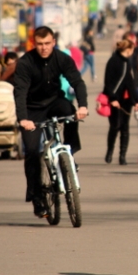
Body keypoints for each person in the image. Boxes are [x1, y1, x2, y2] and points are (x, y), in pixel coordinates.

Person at [13, 26, 89, 218]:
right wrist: (23, 118)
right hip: (32, 109)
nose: (44, 48)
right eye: (39, 44)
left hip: (54, 102)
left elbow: (77, 82)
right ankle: (36, 197)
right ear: (34, 44)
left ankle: (69, 153)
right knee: (31, 151)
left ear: (53, 42)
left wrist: (83, 106)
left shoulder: (61, 58)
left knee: (69, 111)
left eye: (47, 43)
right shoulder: (25, 62)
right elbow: (20, 91)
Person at [103, 39, 138, 165]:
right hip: (114, 100)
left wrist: (135, 101)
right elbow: (108, 82)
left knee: (125, 128)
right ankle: (109, 151)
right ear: (128, 50)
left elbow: (130, 84)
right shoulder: (113, 61)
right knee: (115, 126)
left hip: (126, 100)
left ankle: (122, 156)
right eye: (132, 49)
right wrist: (112, 99)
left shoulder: (127, 63)